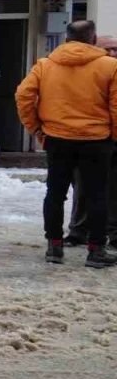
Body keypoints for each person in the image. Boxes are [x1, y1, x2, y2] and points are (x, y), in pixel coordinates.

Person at [16, 20, 117, 268]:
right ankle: (95, 251)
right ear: (93, 39)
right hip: (96, 140)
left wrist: (37, 129)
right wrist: (113, 136)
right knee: (97, 196)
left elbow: (23, 96)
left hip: (57, 139)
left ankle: (54, 247)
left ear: (67, 39)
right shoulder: (110, 66)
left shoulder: (45, 65)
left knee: (55, 194)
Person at [65, 35, 117, 246]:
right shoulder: (87, 75)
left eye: (116, 49)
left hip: (111, 138)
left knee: (114, 189)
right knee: (83, 187)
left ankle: (113, 233)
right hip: (89, 138)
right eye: (108, 49)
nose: (113, 53)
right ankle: (79, 230)